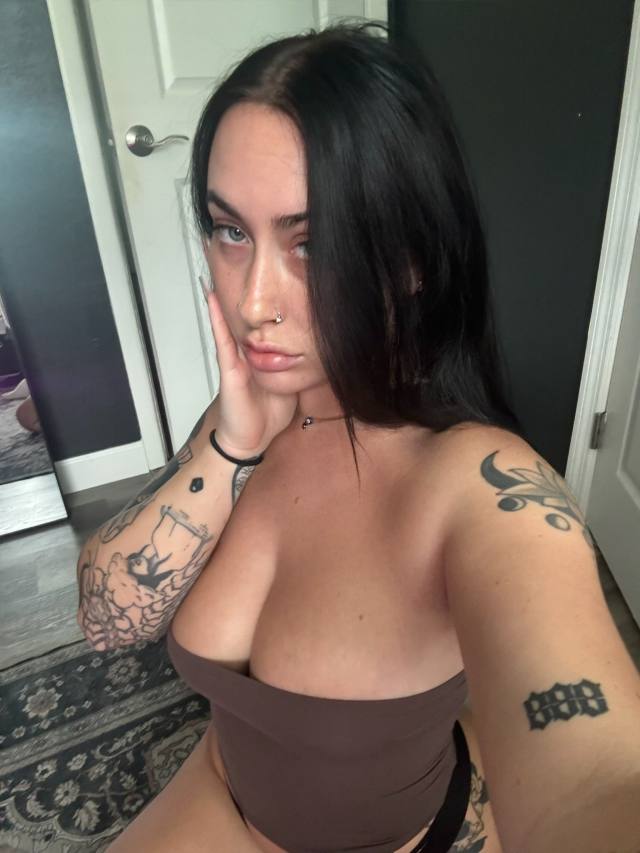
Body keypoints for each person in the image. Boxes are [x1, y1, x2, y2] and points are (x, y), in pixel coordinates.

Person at [76, 21, 640, 853]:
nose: (253, 302)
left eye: (312, 243)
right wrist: (228, 443)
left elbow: (597, 781)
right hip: (223, 785)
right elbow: (105, 618)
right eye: (231, 231)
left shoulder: (482, 484)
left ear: (411, 262)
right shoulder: (259, 410)